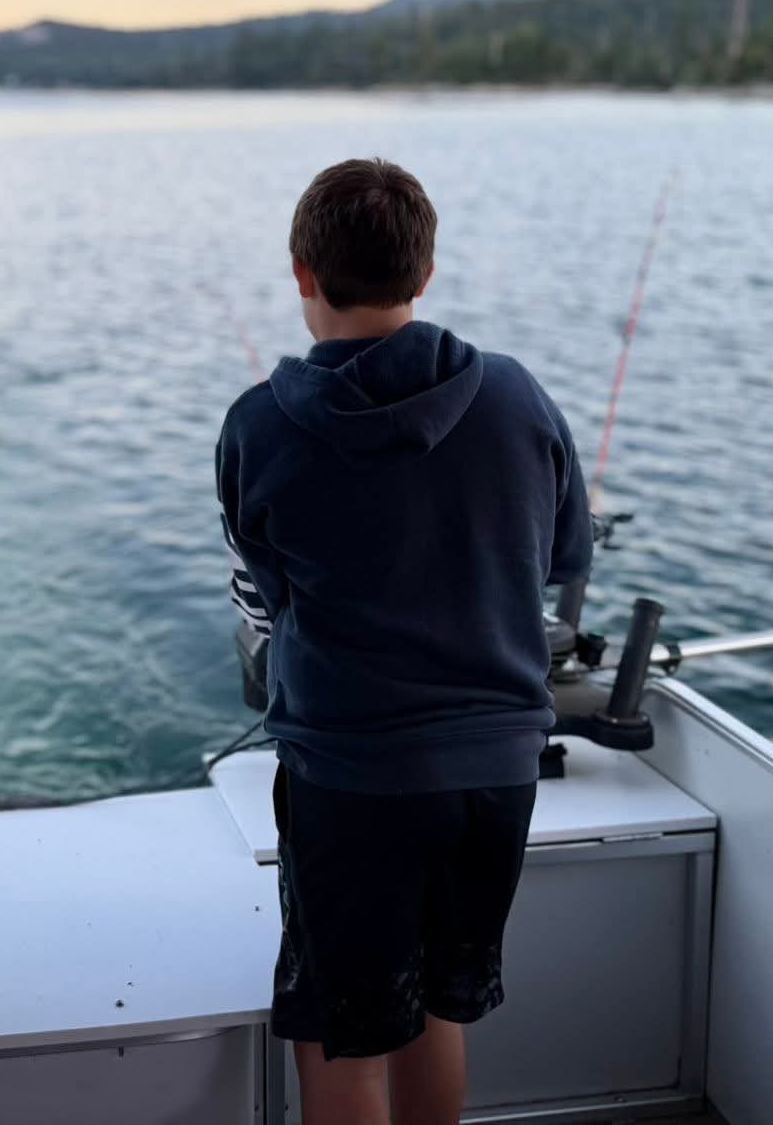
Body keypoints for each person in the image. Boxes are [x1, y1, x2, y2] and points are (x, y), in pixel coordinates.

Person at [216, 158, 592, 1125]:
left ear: (302, 271)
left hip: (354, 781)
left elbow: (268, 596)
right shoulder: (517, 397)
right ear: (423, 274)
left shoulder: (259, 426)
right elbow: (558, 558)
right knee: (435, 1008)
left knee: (341, 1031)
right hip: (497, 779)